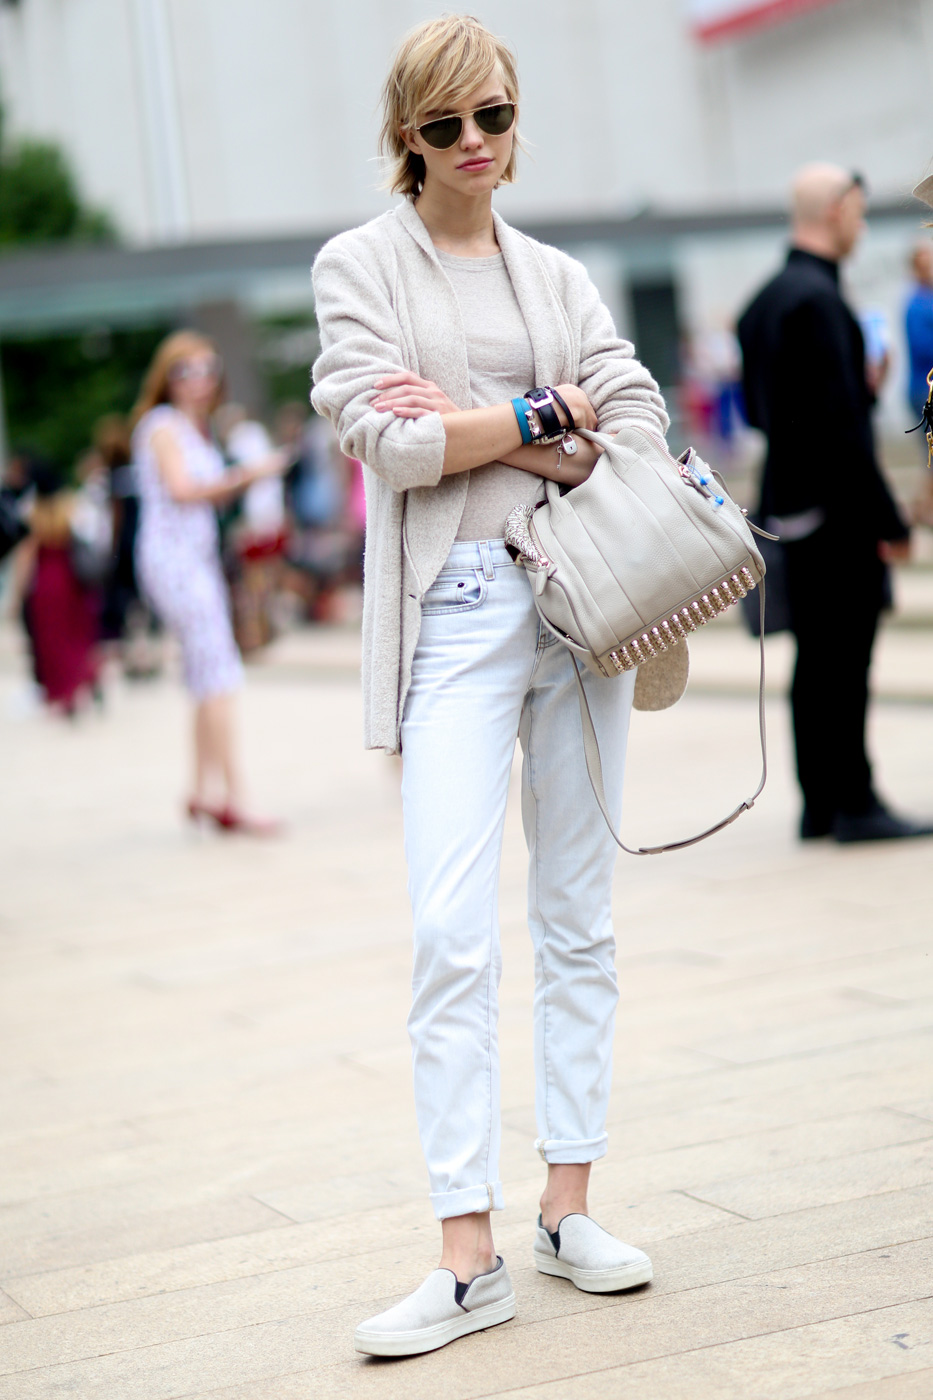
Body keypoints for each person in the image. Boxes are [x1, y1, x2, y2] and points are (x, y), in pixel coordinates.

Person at [311, 14, 668, 1358]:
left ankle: (569, 1206)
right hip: (455, 616)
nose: (475, 142)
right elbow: (383, 438)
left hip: (578, 609)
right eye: (446, 123)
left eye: (494, 116)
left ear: (517, 123)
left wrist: (482, 430)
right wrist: (541, 415)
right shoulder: (360, 266)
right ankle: (467, 1253)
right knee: (450, 932)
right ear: (407, 135)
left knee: (578, 916)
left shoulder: (556, 275)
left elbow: (636, 425)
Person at [737, 164, 932, 844]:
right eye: (859, 210)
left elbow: (767, 414)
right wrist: (889, 518)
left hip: (788, 502)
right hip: (836, 510)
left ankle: (819, 803)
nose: (862, 224)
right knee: (845, 657)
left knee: (814, 659)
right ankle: (855, 801)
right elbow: (841, 428)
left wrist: (859, 390)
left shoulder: (763, 302)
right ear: (837, 209)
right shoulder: (820, 300)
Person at [131, 330, 290, 832]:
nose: (199, 380)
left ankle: (202, 791)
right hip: (174, 562)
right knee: (219, 672)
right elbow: (183, 490)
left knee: (206, 674)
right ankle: (234, 798)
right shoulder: (163, 425)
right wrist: (250, 475)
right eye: (186, 370)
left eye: (207, 369)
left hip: (193, 560)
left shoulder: (196, 428)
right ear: (166, 377)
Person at [12, 461, 101, 714]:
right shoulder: (70, 507)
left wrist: (17, 595)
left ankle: (62, 691)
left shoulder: (34, 513)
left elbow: (26, 556)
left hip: (46, 583)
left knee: (52, 641)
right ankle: (81, 679)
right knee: (76, 636)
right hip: (72, 581)